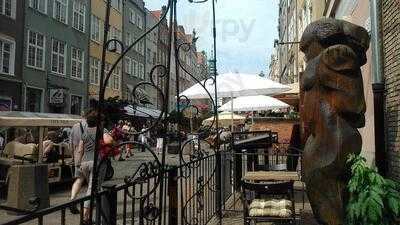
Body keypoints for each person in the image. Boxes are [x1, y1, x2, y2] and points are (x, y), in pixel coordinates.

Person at [70, 111, 109, 224]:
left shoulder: (85, 132)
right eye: (102, 121)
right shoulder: (101, 131)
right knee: (92, 189)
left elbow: (80, 149)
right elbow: (108, 141)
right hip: (96, 162)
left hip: (84, 163)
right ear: (99, 122)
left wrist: (78, 163)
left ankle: (91, 213)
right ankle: (85, 217)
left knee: (91, 188)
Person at [68, 113, 88, 214]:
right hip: (89, 156)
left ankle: (72, 200)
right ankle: (88, 205)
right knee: (92, 181)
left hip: (77, 157)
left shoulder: (75, 126)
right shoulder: (91, 126)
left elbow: (70, 144)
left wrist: (72, 156)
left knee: (79, 179)